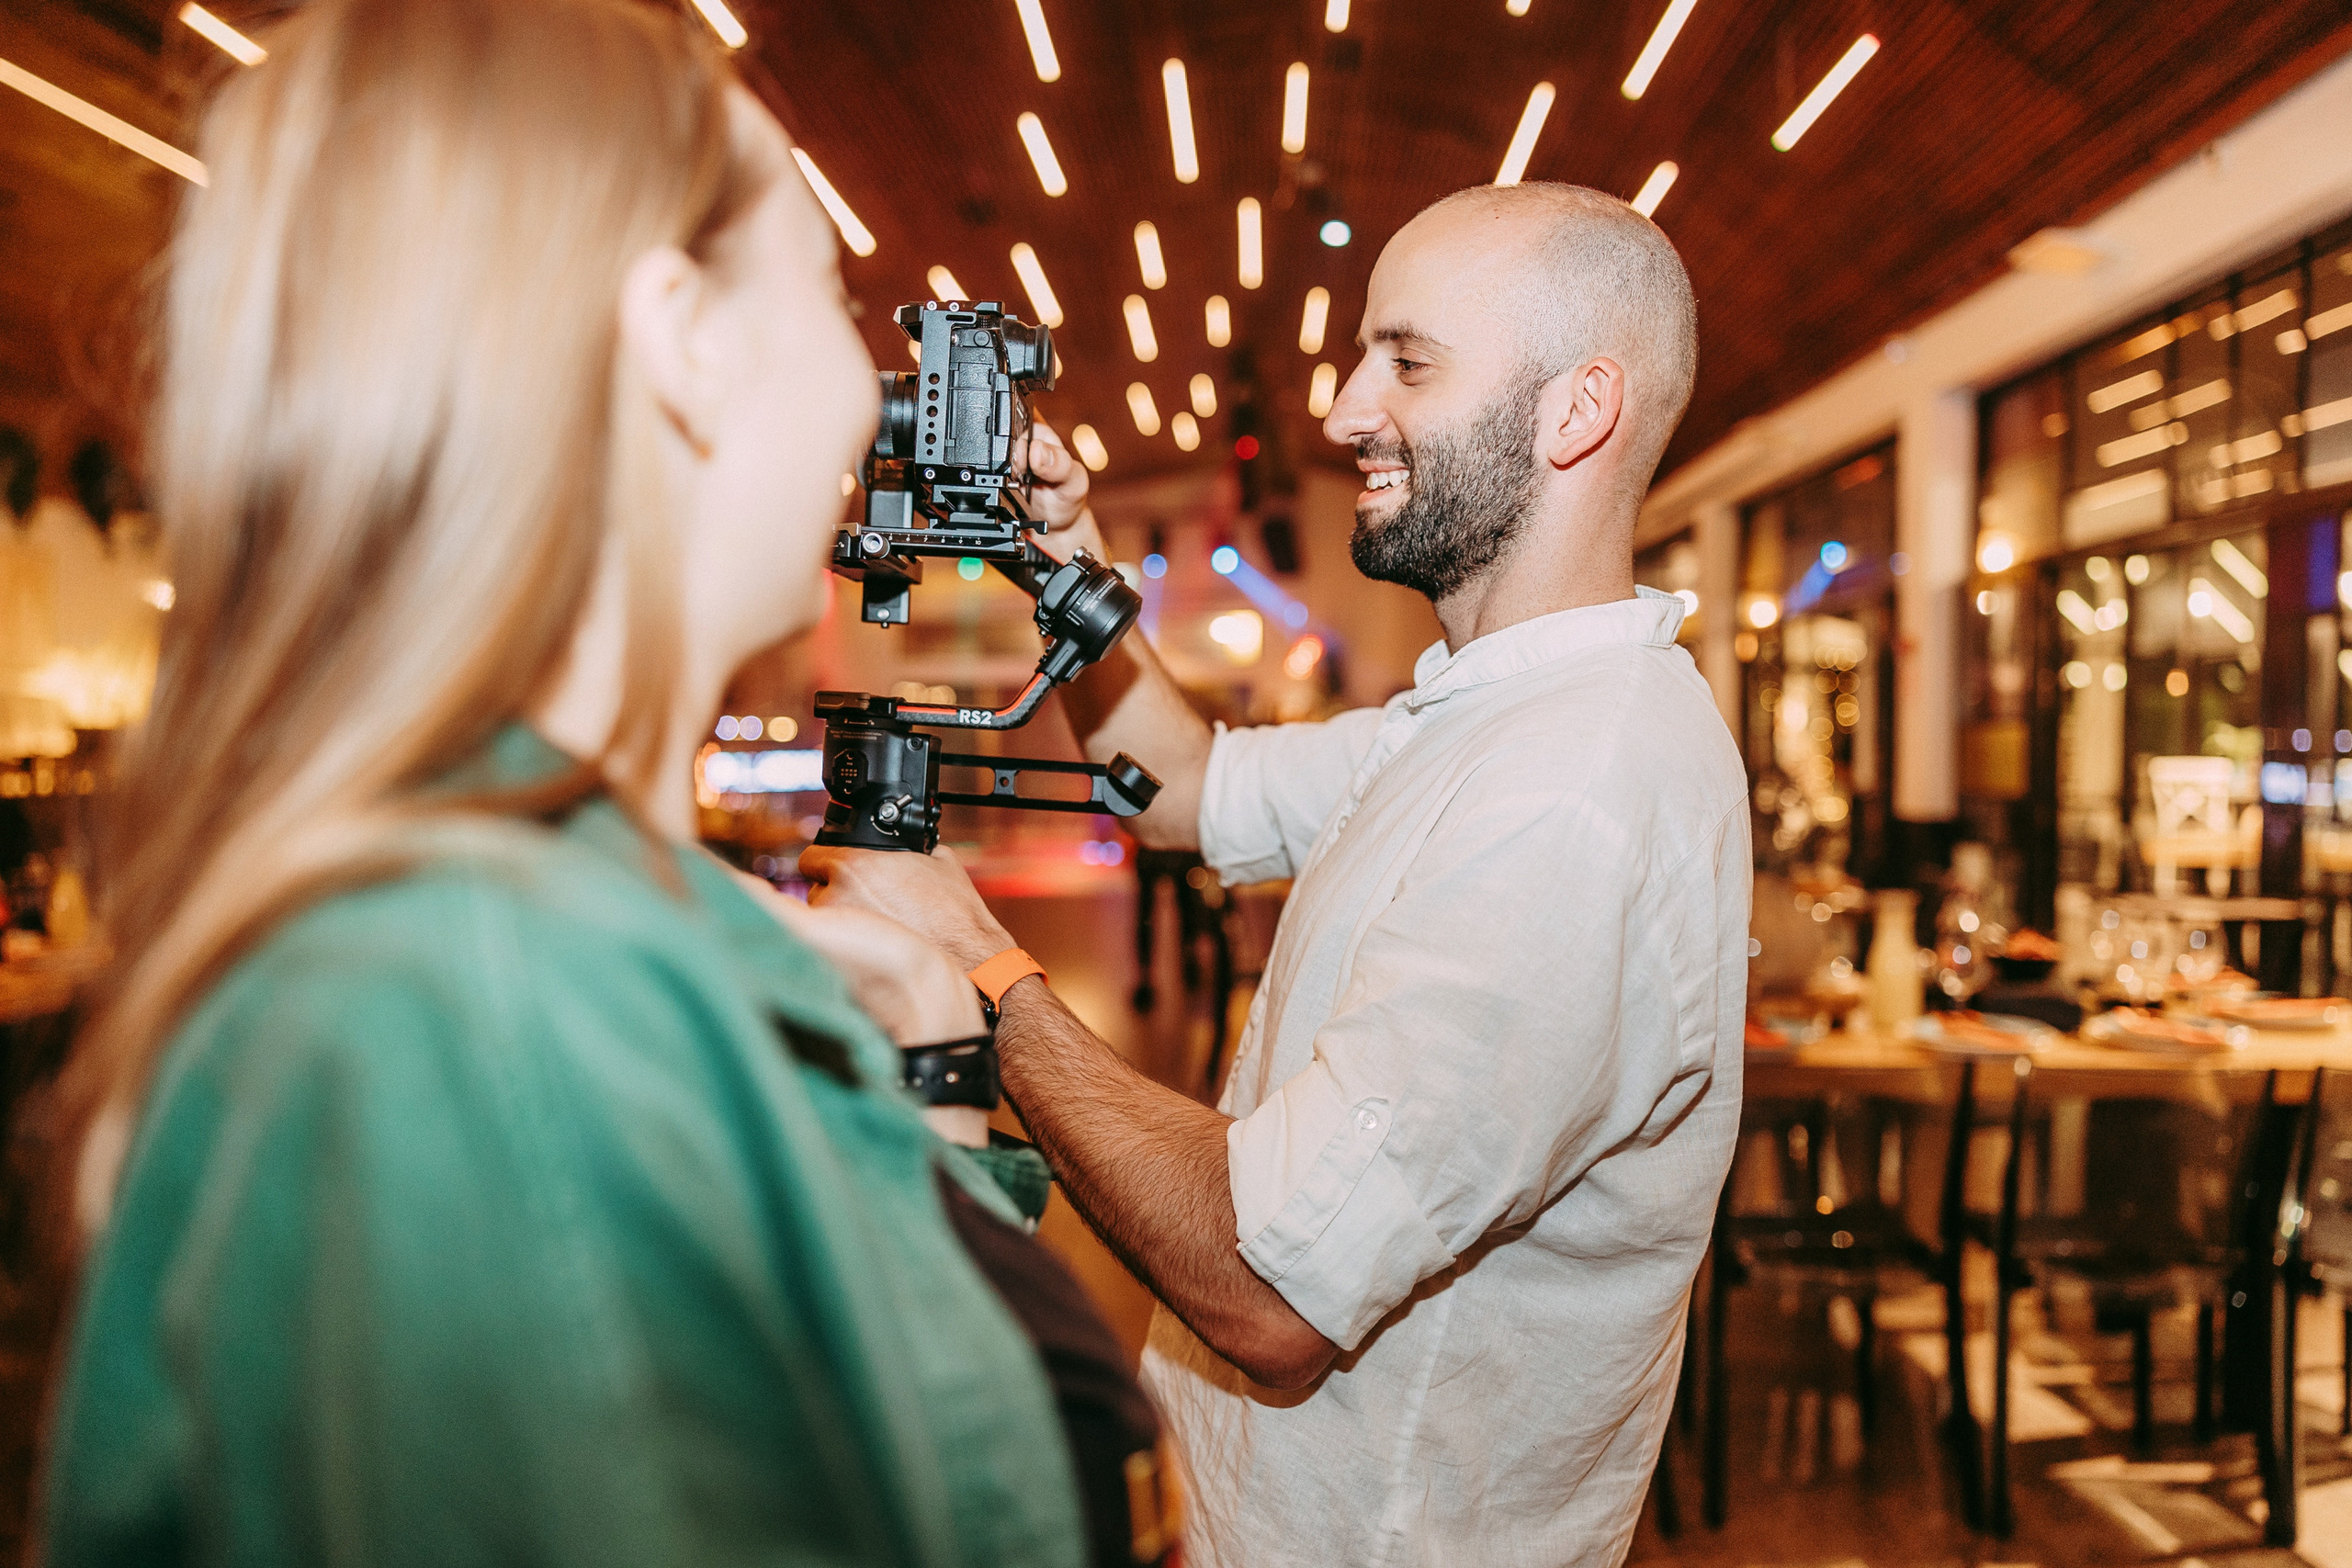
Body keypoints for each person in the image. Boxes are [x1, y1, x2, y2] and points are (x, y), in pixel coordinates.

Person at [40, 3, 1141, 1563]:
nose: (872, 399)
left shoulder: (556, 929)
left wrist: (932, 1071)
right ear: (684, 341)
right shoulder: (479, 1015)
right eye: (831, 296)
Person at [801, 183, 1749, 1566]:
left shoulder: (1574, 790)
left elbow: (1268, 1287)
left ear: (1576, 411)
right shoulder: (1482, 714)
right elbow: (1186, 788)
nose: (1348, 409)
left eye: (1407, 363)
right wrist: (1056, 561)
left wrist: (974, 968)